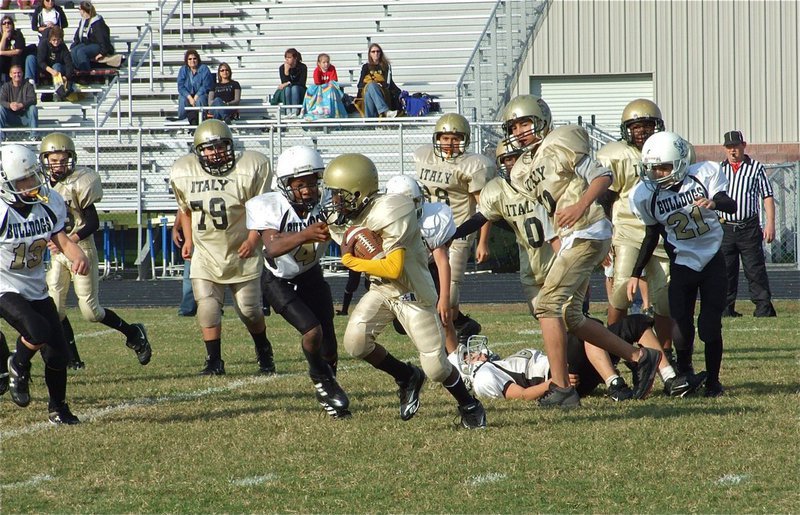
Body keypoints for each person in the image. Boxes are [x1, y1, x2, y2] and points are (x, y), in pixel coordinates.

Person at [505, 94, 661, 406]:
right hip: (571, 236)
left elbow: (603, 176)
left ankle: (562, 388)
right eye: (515, 126)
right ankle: (640, 356)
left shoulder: (561, 141)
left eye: (526, 122)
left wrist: (580, 205)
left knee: (547, 305)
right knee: (571, 316)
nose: (521, 131)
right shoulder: (521, 168)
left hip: (587, 229)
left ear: (542, 121)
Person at [322, 153, 487, 429]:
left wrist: (350, 261)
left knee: (436, 368)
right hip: (381, 290)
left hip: (413, 295)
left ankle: (469, 404)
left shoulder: (392, 209)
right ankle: (407, 376)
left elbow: (394, 267)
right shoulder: (349, 217)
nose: (335, 201)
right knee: (356, 343)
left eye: (340, 194)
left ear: (358, 192)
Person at [628, 131, 736, 397]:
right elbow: (651, 234)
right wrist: (635, 272)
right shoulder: (646, 194)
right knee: (680, 327)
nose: (656, 173)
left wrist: (714, 202)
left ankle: (713, 381)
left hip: (711, 259)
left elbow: (730, 204)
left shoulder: (704, 174)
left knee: (710, 325)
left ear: (679, 162)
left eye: (663, 167)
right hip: (682, 262)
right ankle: (686, 372)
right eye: (652, 168)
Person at [245, 145, 350, 418]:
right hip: (278, 280)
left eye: (312, 183)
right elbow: (272, 247)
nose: (307, 190)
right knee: (312, 331)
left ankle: (330, 389)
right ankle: (320, 378)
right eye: (300, 184)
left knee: (329, 340)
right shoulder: (271, 205)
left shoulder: (327, 203)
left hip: (311, 275)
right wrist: (305, 234)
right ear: (286, 185)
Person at [169, 119, 274, 376]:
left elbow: (260, 211)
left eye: (221, 146)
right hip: (206, 252)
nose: (215, 153)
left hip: (240, 250)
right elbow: (186, 210)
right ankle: (214, 361)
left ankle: (264, 349)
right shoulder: (185, 172)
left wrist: (252, 240)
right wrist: (189, 240)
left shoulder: (249, 169)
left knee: (249, 310)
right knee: (207, 305)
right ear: (198, 152)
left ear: (231, 146)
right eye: (208, 148)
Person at [40, 132, 152, 370]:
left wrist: (68, 240)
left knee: (91, 311)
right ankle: (72, 359)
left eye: (62, 159)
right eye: (53, 160)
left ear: (71, 158)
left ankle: (133, 333)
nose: (58, 165)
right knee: (54, 311)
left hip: (80, 249)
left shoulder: (81, 181)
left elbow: (92, 223)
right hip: (56, 253)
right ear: (45, 160)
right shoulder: (39, 186)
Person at [0, 143, 91, 424]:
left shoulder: (48, 201)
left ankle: (58, 409)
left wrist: (78, 256)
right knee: (36, 329)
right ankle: (17, 363)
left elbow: (60, 239)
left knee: (58, 354)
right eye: (24, 179)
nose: (32, 183)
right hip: (4, 285)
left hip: (35, 286)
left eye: (33, 175)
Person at [450, 314, 691, 402]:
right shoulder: (482, 378)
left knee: (636, 324)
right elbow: (520, 395)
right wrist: (555, 383)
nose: (474, 353)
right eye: (468, 356)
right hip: (562, 374)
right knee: (583, 327)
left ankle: (670, 379)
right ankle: (615, 384)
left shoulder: (493, 364)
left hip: (574, 365)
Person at [596, 99, 674, 357]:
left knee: (664, 300)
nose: (641, 131)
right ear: (626, 129)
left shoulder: (670, 148)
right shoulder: (616, 155)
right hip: (628, 231)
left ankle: (666, 354)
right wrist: (604, 237)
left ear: (657, 126)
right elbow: (604, 200)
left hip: (662, 234)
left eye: (647, 125)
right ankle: (612, 348)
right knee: (620, 292)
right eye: (636, 126)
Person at [414, 113, 495, 345]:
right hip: (428, 232)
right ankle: (461, 324)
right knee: (428, 285)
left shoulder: (473, 165)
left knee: (449, 291)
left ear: (465, 140)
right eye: (445, 137)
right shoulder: (423, 157)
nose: (449, 143)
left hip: (458, 232)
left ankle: (451, 337)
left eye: (455, 138)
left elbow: (485, 206)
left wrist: (482, 241)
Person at [385, 174, 458, 353]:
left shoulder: (430, 220)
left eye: (413, 203)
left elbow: (442, 261)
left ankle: (457, 360)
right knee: (405, 325)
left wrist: (444, 299)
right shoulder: (383, 222)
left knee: (443, 319)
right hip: (401, 273)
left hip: (428, 269)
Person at [718, 130, 777, 318]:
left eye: (735, 146)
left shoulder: (756, 168)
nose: (732, 151)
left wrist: (770, 224)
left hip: (748, 227)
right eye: (729, 147)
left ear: (744, 145)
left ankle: (763, 309)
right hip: (725, 227)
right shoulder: (720, 169)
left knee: (755, 270)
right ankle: (726, 309)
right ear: (724, 149)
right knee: (725, 271)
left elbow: (767, 196)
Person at [356, 43, 400, 118]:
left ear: (380, 53)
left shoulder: (386, 66)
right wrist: (372, 84)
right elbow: (359, 84)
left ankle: (369, 123)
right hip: (367, 89)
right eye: (373, 52)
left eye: (378, 51)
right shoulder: (365, 66)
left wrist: (379, 85)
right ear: (370, 54)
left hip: (382, 91)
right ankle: (385, 111)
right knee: (371, 86)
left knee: (369, 93)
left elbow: (388, 83)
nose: (376, 53)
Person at [70, 1, 116, 72]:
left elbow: (102, 39)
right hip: (86, 44)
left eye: (79, 9)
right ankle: (79, 70)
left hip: (97, 45)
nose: (79, 11)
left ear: (83, 10)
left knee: (81, 51)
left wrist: (102, 53)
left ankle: (86, 73)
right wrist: (73, 45)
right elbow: (77, 36)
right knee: (73, 51)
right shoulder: (83, 21)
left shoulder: (97, 22)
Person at [303, 53, 347, 121]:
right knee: (310, 89)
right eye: (324, 62)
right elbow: (317, 83)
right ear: (319, 63)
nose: (326, 64)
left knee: (331, 89)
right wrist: (326, 86)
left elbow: (333, 81)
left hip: (330, 90)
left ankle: (332, 111)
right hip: (321, 90)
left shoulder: (332, 68)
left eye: (327, 62)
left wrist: (328, 85)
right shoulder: (317, 71)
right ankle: (312, 109)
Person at [0, 64, 38, 141]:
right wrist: (9, 105)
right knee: (1, 109)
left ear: (22, 73)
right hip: (11, 118)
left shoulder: (28, 85)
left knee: (33, 108)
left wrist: (21, 105)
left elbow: (33, 99)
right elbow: (1, 100)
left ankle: (34, 136)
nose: (17, 75)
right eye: (14, 73)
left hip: (26, 117)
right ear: (10, 75)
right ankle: (1, 137)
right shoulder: (6, 86)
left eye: (19, 72)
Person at [175, 49, 213, 126]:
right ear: (187, 60)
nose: (192, 60)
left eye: (194, 58)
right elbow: (181, 86)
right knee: (182, 99)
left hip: (200, 94)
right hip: (188, 95)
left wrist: (196, 96)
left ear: (198, 59)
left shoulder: (204, 69)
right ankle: (182, 121)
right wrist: (189, 97)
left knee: (200, 99)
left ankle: (200, 121)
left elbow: (206, 85)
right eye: (190, 59)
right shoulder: (183, 69)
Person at [36, 26, 75, 97]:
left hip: (58, 71)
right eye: (54, 40)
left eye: (58, 40)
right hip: (46, 69)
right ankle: (58, 89)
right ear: (50, 39)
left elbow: (69, 63)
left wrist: (66, 77)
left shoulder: (63, 46)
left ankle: (60, 90)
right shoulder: (44, 44)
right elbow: (40, 61)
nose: (56, 42)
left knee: (57, 65)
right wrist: (51, 71)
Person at [172, 209, 197, 316]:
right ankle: (187, 308)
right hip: (194, 236)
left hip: (211, 236)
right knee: (189, 275)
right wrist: (176, 227)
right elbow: (183, 207)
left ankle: (215, 307)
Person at [1, 15, 37, 83]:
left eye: (9, 23)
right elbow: (0, 49)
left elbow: (18, 51)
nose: (6, 25)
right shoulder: (1, 36)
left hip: (17, 61)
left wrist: (2, 53)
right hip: (5, 62)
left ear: (12, 25)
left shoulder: (18, 34)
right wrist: (4, 37)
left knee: (15, 57)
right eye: (4, 23)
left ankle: (16, 81)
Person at [277, 48, 306, 117]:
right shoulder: (282, 67)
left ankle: (295, 111)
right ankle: (287, 111)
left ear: (295, 58)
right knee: (287, 89)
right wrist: (286, 72)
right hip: (288, 89)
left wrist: (288, 83)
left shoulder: (302, 67)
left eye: (289, 57)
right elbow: (284, 82)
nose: (287, 59)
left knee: (294, 88)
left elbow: (302, 82)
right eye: (286, 57)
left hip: (300, 90)